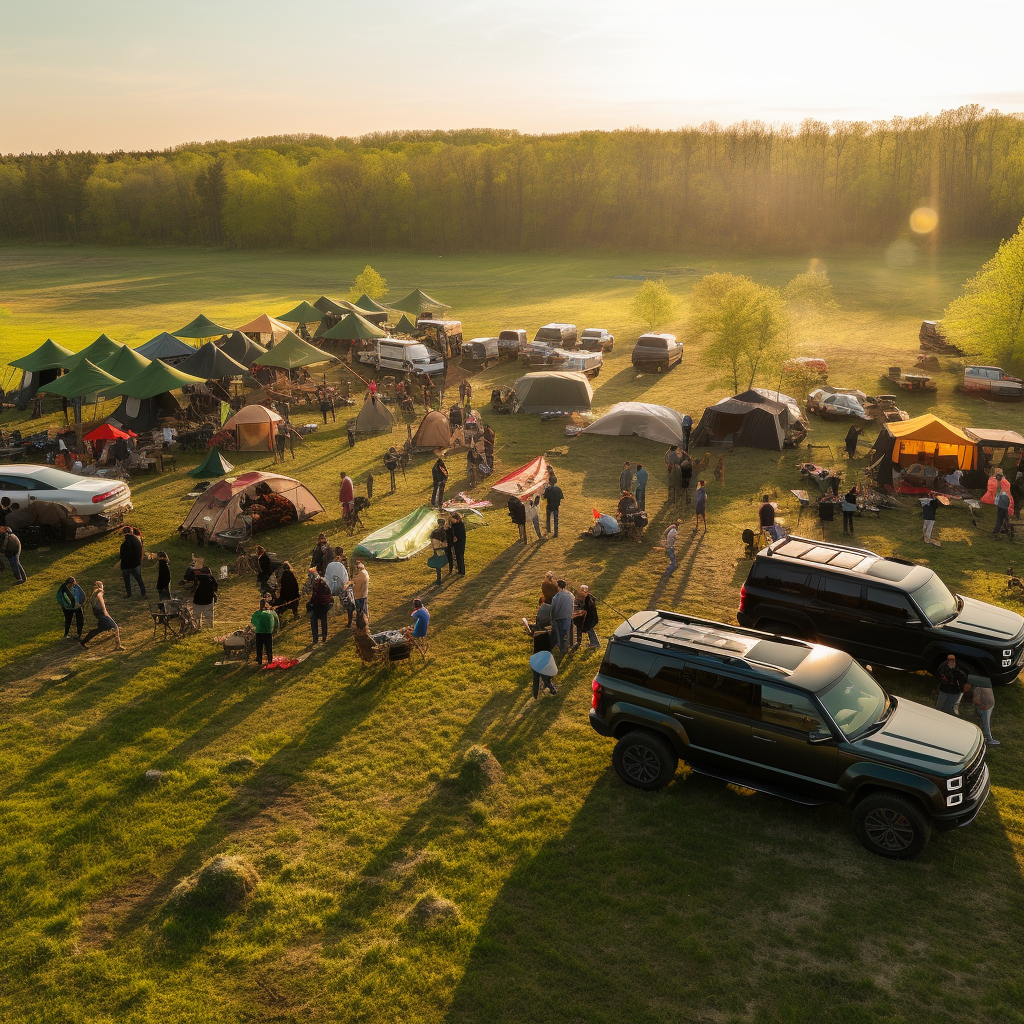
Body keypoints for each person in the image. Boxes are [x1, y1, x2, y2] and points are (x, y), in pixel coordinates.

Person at [80, 581, 125, 650]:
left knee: (99, 629)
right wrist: (105, 612)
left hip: (99, 616)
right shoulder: (99, 594)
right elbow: (101, 604)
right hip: (102, 615)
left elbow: (93, 604)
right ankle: (117, 646)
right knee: (115, 627)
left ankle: (83, 641)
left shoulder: (93, 595)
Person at [971, 675, 1000, 746]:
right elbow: (975, 700)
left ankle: (980, 736)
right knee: (985, 723)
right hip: (984, 709)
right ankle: (988, 739)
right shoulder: (979, 688)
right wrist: (982, 706)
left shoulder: (986, 684)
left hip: (988, 707)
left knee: (982, 722)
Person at [117, 526, 145, 598]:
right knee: (139, 579)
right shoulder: (137, 540)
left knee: (127, 581)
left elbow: (123, 555)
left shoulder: (125, 544)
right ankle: (143, 592)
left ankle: (129, 594)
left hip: (127, 566)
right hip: (136, 564)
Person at [251, 597, 279, 668]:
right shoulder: (270, 613)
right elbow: (276, 620)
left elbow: (253, 622)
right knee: (269, 647)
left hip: (259, 632)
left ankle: (259, 660)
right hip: (268, 633)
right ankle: (269, 659)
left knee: (259, 647)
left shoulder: (257, 613)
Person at [307, 569, 332, 644]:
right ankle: (324, 637)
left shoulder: (316, 584)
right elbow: (329, 594)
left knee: (313, 621)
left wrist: (310, 604)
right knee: (324, 621)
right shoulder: (325, 583)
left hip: (317, 606)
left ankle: (315, 639)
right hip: (325, 605)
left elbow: (315, 596)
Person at [550, 579, 575, 654]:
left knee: (560, 635)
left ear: (558, 586)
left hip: (559, 617)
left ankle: (562, 649)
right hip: (568, 616)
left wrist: (552, 618)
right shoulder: (570, 595)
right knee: (567, 633)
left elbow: (553, 609)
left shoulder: (556, 597)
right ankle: (568, 646)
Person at [573, 584, 600, 649]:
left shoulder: (588, 598)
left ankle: (595, 643)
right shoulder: (589, 597)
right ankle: (594, 642)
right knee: (590, 629)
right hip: (590, 617)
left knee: (589, 629)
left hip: (589, 617)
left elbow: (587, 609)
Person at [429, 518, 448, 584]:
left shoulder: (434, 531)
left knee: (438, 563)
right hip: (443, 548)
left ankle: (438, 578)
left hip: (436, 549)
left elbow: (431, 539)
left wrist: (434, 545)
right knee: (444, 559)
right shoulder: (445, 531)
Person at [351, 559, 370, 624]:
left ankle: (360, 622)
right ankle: (364, 620)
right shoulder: (365, 573)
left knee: (359, 610)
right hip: (363, 595)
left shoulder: (360, 574)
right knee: (363, 610)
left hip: (358, 596)